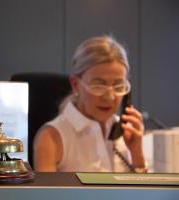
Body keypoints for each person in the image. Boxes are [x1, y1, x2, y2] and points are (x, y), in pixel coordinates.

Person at [33, 35, 147, 172]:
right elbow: (46, 194)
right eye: (98, 86)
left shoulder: (125, 133)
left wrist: (137, 155)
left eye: (118, 86)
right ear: (76, 84)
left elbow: (143, 193)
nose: (110, 97)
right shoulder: (51, 137)